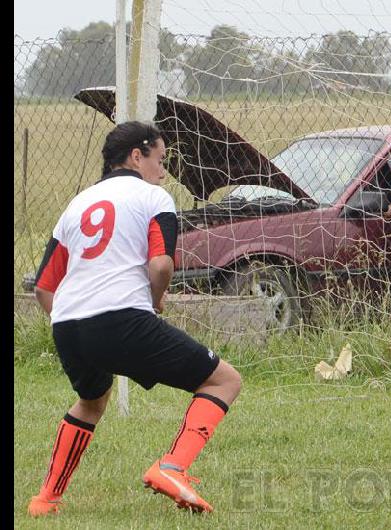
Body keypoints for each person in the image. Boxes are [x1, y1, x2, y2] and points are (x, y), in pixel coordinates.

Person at [27, 121, 242, 516]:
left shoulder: (76, 205)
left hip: (67, 324)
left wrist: (71, 321)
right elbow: (160, 264)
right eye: (160, 160)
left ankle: (46, 500)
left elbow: (43, 287)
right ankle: (172, 467)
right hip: (122, 319)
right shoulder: (153, 197)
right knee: (225, 379)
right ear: (136, 156)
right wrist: (154, 301)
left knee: (91, 402)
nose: (163, 171)